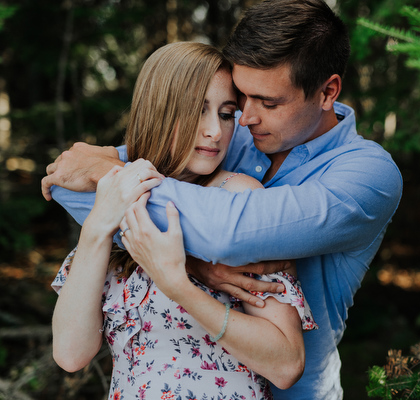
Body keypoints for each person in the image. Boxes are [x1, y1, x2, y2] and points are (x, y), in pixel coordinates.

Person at [42, 0, 403, 398]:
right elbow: (71, 184)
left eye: (267, 102)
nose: (244, 118)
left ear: (327, 92)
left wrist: (184, 261)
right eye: (241, 98)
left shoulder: (368, 177)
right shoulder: (228, 136)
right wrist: (107, 178)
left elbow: (227, 233)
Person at [51, 42, 317, 400]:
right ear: (158, 111)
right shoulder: (116, 195)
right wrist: (99, 226)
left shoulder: (239, 199)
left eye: (226, 114)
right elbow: (70, 354)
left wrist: (178, 285)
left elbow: (287, 365)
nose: (215, 131)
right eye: (198, 111)